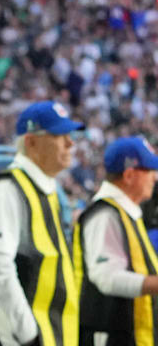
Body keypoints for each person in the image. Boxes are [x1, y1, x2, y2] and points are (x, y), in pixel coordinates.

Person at [0, 100, 82, 346]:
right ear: (31, 141)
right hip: (16, 336)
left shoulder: (45, 191)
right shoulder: (7, 189)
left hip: (48, 331)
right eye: (60, 135)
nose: (71, 143)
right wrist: (29, 333)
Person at [74, 136, 158, 345]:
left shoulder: (127, 212)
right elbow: (106, 277)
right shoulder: (105, 215)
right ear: (129, 175)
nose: (154, 178)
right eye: (149, 171)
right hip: (111, 334)